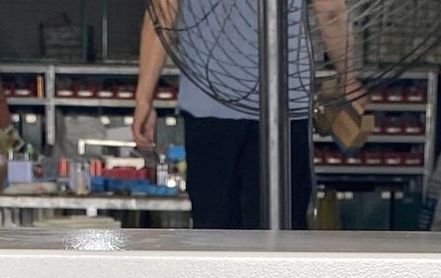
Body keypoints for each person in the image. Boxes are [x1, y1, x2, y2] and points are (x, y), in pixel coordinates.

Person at [132, 0, 362, 230]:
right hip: (285, 109)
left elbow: (162, 11)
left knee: (214, 231)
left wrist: (144, 99)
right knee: (283, 230)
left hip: (209, 105)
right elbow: (330, 12)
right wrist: (348, 79)